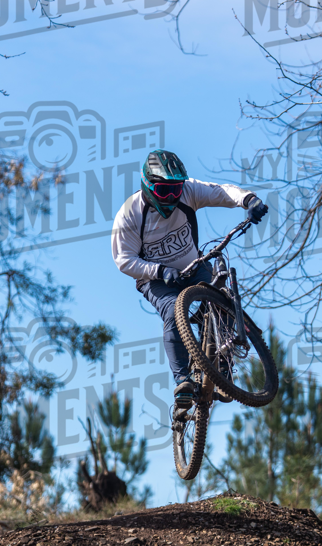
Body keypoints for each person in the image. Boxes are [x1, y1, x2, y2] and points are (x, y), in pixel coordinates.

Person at [111, 149, 268, 409]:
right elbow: (123, 260)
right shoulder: (130, 214)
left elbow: (221, 192)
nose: (172, 197)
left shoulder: (188, 191)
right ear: (148, 186)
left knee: (222, 299)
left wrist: (248, 200)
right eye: (164, 191)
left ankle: (223, 361)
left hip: (193, 267)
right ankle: (183, 379)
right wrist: (159, 271)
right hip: (155, 279)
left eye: (176, 189)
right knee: (174, 311)